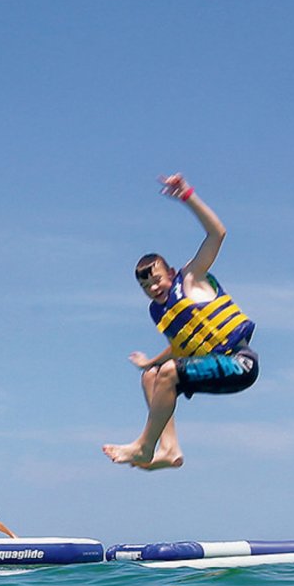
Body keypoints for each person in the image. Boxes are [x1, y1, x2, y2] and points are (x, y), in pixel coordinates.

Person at [103, 174, 259, 469]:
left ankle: (144, 446)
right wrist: (149, 364)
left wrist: (188, 196)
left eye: (157, 280)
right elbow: (181, 348)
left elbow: (217, 234)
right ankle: (170, 448)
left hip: (241, 364)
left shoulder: (191, 278)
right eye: (145, 287)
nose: (153, 289)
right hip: (214, 366)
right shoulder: (159, 312)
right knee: (153, 377)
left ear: (171, 273)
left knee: (169, 372)